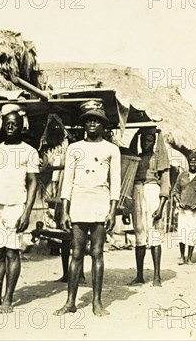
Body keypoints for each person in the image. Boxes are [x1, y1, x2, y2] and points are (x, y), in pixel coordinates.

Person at [54, 100, 121, 317]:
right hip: (79, 203)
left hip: (100, 203)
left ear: (103, 124)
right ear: (84, 123)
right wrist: (64, 210)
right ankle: (70, 302)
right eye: (89, 120)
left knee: (98, 253)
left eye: (97, 120)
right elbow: (67, 181)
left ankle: (97, 302)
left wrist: (112, 210)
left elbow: (116, 182)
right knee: (76, 253)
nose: (92, 123)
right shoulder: (74, 148)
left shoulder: (112, 150)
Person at [0, 105, 39, 313]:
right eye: (7, 124)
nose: (10, 127)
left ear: (22, 127)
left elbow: (33, 182)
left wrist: (27, 211)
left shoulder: (29, 152)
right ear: (1, 126)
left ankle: (8, 300)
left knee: (12, 252)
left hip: (16, 208)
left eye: (15, 124)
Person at [126, 127, 170, 287]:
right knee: (139, 233)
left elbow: (165, 182)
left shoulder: (159, 158)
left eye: (150, 140)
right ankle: (139, 276)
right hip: (137, 191)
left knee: (154, 234)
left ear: (154, 142)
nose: (146, 143)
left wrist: (162, 205)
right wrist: (137, 133)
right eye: (144, 140)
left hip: (152, 191)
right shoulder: (136, 158)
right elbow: (128, 153)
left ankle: (157, 276)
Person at [171, 153, 196, 265]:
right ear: (188, 163)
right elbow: (175, 190)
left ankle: (189, 258)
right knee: (182, 233)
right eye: (191, 162)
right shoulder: (182, 175)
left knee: (193, 234)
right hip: (183, 209)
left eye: (195, 162)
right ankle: (182, 257)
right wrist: (179, 201)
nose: (193, 164)